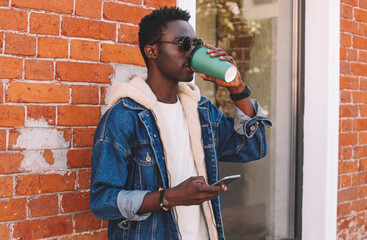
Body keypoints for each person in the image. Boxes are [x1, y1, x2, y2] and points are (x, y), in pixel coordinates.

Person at [90, 6, 271, 240]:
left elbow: (253, 147)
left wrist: (237, 88)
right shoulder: (124, 117)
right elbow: (102, 201)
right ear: (152, 51)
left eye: (197, 45)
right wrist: (168, 197)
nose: (192, 53)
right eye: (184, 44)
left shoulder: (202, 111)